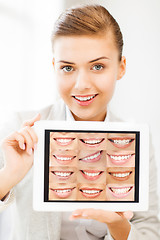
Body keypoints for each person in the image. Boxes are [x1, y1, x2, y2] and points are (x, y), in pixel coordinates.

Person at [0, 4, 159, 240]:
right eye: (67, 67)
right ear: (54, 68)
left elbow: (150, 230)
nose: (81, 84)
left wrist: (119, 226)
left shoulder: (137, 142)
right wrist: (8, 175)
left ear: (121, 67)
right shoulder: (21, 130)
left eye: (97, 66)